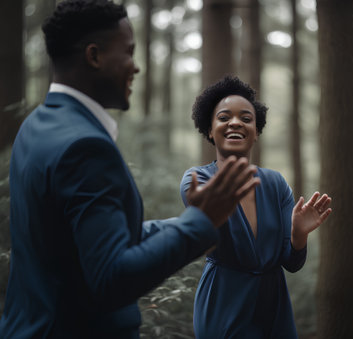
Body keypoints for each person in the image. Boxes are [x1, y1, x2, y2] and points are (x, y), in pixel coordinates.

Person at [0, 2, 260, 338]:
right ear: (94, 56)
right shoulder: (85, 148)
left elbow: (81, 241)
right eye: (129, 52)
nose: (135, 68)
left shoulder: (37, 124)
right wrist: (201, 224)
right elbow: (112, 278)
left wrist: (180, 223)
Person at [180, 76, 332, 338]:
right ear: (209, 129)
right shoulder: (198, 180)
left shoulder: (275, 183)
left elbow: (292, 263)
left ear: (257, 131)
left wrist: (299, 234)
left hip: (274, 308)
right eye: (224, 117)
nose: (236, 122)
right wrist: (202, 213)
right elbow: (203, 230)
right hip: (224, 303)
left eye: (246, 118)